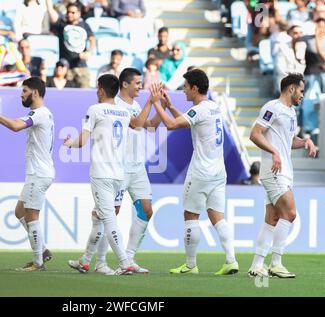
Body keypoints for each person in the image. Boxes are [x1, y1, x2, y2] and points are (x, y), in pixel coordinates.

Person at [64, 74, 155, 275]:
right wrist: (152, 102)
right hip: (118, 174)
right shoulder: (123, 112)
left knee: (108, 219)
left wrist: (69, 143)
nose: (97, 91)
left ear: (102, 90)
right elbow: (140, 124)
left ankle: (124, 262)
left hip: (101, 174)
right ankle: (86, 260)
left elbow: (82, 142)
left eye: (98, 88)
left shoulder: (95, 110)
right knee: (100, 216)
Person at [151, 69, 239, 275]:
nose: (183, 91)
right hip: (218, 171)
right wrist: (170, 106)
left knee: (190, 215)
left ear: (195, 88)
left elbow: (172, 125)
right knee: (218, 216)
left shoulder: (199, 110)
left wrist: (156, 102)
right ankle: (231, 260)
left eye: (186, 87)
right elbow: (186, 121)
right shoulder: (213, 107)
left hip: (201, 171)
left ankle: (190, 265)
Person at [91, 68, 165, 274]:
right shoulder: (115, 105)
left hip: (137, 168)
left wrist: (163, 108)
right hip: (119, 168)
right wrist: (152, 102)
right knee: (110, 214)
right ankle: (101, 262)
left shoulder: (137, 104)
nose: (140, 86)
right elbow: (136, 125)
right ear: (124, 84)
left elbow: (148, 126)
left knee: (146, 210)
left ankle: (129, 258)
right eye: (137, 83)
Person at [248, 73, 316, 278]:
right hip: (274, 170)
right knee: (291, 213)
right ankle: (276, 263)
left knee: (272, 218)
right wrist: (274, 152)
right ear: (291, 89)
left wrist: (305, 142)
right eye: (301, 91)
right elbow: (255, 133)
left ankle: (256, 265)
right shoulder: (272, 108)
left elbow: (287, 140)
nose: (302, 95)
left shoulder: (291, 113)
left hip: (284, 170)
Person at [0, 77, 54, 271]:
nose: (21, 94)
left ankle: (38, 262)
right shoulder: (44, 113)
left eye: (24, 91)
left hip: (39, 173)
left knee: (32, 214)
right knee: (19, 212)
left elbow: (16, 126)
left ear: (35, 93)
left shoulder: (40, 113)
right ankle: (42, 249)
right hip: (38, 172)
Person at [46, 0, 96, 88]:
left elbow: (92, 39)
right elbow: (50, 10)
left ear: (79, 13)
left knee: (84, 93)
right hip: (65, 68)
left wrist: (89, 52)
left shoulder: (84, 25)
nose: (69, 14)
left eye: (73, 12)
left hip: (81, 67)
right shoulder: (62, 24)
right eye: (68, 12)